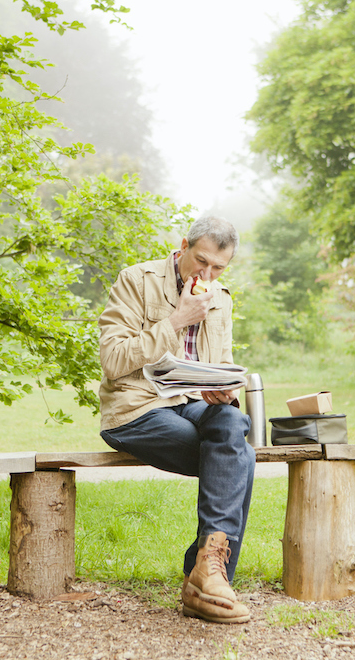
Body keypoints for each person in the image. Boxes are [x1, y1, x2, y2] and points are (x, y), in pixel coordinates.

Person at [98, 214, 254, 624]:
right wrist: (175, 321)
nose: (207, 274)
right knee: (241, 458)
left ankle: (205, 577)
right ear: (184, 245)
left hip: (191, 403)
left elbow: (220, 364)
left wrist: (222, 389)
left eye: (218, 268)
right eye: (200, 261)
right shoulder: (136, 280)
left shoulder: (221, 297)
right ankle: (205, 579)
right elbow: (113, 360)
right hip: (137, 408)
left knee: (232, 423)